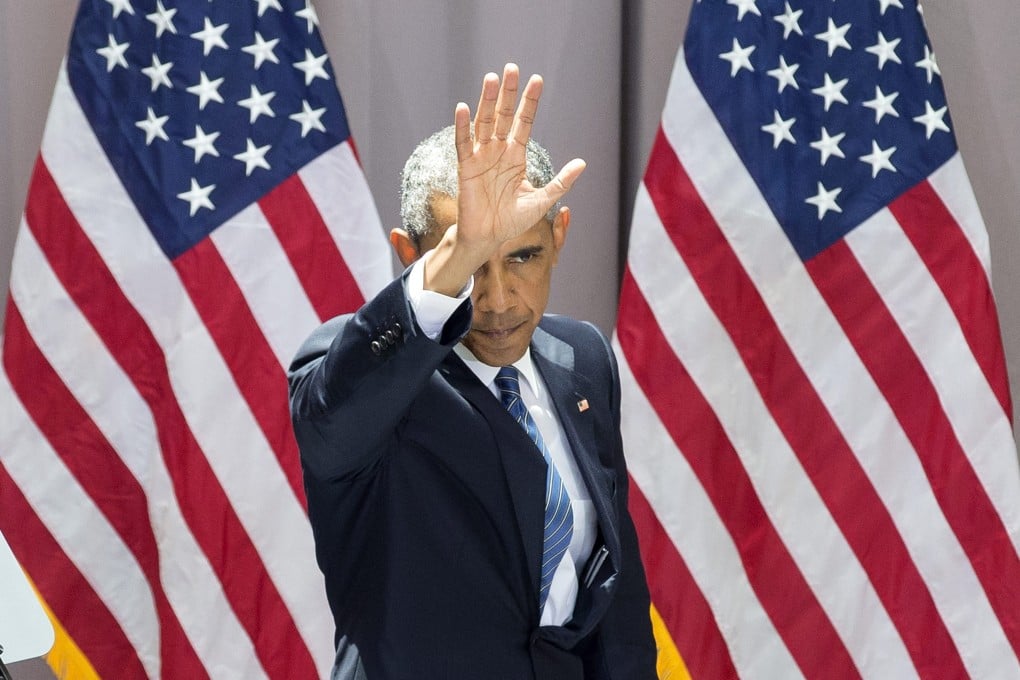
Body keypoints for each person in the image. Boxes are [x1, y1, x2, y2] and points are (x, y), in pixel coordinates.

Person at [288, 63, 657, 679]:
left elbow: (613, 600)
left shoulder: (582, 358)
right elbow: (331, 423)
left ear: (559, 236)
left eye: (523, 255)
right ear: (410, 256)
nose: (500, 299)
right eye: (471, 264)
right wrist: (458, 255)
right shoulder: (364, 378)